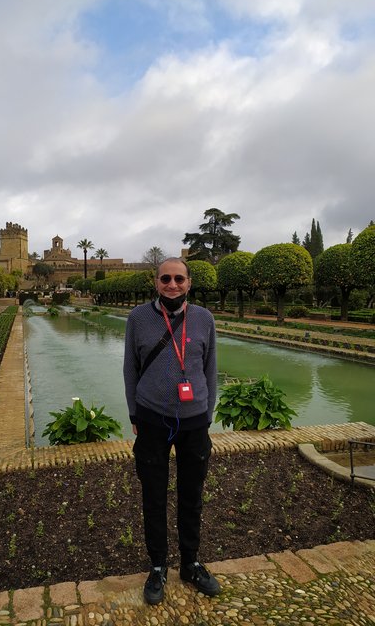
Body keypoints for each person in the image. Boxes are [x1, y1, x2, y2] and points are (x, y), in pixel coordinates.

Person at [123, 257, 220, 605]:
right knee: (154, 495)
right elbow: (130, 368)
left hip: (194, 423)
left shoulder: (205, 319)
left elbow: (211, 370)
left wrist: (206, 415)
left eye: (179, 279)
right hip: (152, 420)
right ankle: (159, 566)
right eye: (166, 278)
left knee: (191, 495)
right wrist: (134, 411)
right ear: (156, 281)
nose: (172, 284)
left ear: (189, 283)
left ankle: (191, 563)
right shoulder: (138, 318)